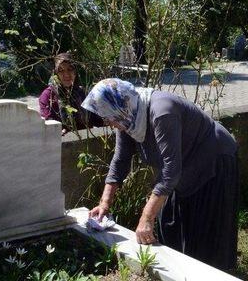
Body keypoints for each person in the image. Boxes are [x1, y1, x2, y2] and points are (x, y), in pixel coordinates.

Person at [83, 78, 239, 270]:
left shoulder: (162, 112)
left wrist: (146, 217)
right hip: (183, 168)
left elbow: (171, 169)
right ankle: (181, 274)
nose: (109, 123)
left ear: (118, 106)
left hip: (212, 159)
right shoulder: (128, 117)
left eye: (108, 117)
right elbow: (120, 160)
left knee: (203, 231)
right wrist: (104, 203)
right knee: (170, 224)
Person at [38, 53, 103, 134]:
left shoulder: (83, 93)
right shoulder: (47, 96)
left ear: (75, 71)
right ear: (56, 73)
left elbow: (96, 119)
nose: (66, 74)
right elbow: (49, 123)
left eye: (70, 69)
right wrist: (57, 130)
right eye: (61, 70)